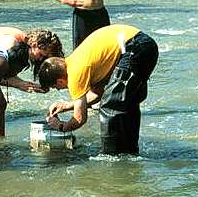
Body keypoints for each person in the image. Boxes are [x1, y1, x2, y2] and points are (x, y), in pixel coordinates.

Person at [38, 24, 159, 155]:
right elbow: (98, 92)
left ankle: (111, 157)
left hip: (133, 47)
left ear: (59, 80)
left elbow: (79, 119)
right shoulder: (75, 61)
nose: (60, 89)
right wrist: (68, 106)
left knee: (109, 106)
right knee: (125, 102)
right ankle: (128, 153)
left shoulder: (75, 73)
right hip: (142, 44)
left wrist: (61, 126)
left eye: (56, 87)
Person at [0, 27, 64, 153]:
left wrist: (25, 84)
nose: (40, 60)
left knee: (0, 105)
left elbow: (2, 73)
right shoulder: (10, 44)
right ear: (34, 44)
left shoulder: (23, 45)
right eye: (41, 55)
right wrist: (19, 84)